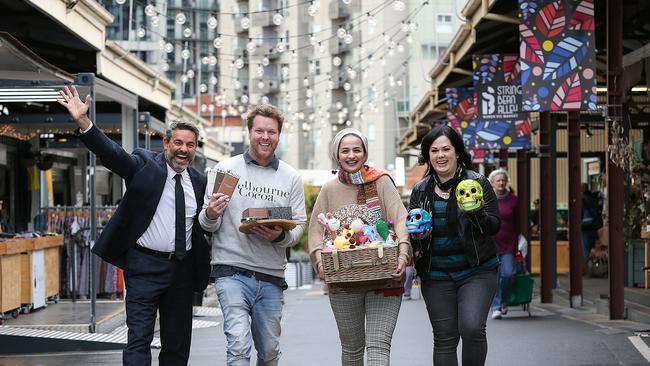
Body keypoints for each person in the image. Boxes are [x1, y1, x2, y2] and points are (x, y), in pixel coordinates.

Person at [57, 85, 211, 365]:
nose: (183, 150)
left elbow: (206, 224)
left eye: (190, 145)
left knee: (177, 347)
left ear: (195, 148)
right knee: (138, 341)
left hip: (181, 270)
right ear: (166, 144)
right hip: (144, 267)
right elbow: (113, 155)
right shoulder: (144, 165)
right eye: (178, 143)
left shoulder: (200, 182)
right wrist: (84, 122)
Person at [199, 104, 306, 366]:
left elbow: (300, 225)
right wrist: (211, 214)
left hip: (271, 275)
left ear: (279, 135)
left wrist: (278, 237)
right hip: (231, 271)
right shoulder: (226, 170)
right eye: (260, 131)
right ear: (250, 133)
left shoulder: (290, 177)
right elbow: (206, 224)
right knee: (237, 345)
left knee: (269, 352)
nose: (265, 137)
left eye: (271, 132)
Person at [307, 128, 410, 366]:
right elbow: (315, 231)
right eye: (345, 150)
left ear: (365, 153)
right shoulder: (329, 189)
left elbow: (401, 219)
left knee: (378, 347)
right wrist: (321, 263)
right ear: (337, 155)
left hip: (385, 277)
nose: (351, 155)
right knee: (352, 351)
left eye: (357, 150)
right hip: (343, 283)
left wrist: (403, 254)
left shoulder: (382, 181)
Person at [408, 125, 500, 366]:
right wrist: (418, 238)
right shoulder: (421, 190)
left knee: (471, 328)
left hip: (477, 270)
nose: (440, 155)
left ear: (457, 152)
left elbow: (493, 226)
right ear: (428, 155)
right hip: (436, 274)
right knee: (445, 338)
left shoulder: (477, 182)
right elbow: (413, 229)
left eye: (446, 149)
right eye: (434, 150)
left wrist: (476, 212)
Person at [487, 168, 518, 320]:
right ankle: (496, 306)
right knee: (494, 277)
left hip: (509, 244)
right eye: (498, 180)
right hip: (490, 244)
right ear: (492, 182)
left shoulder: (513, 199)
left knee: (508, 274)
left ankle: (504, 300)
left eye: (503, 180)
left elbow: (519, 221)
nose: (501, 183)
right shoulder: (486, 198)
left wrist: (522, 240)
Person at [581, 183, 602, 268]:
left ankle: (588, 268)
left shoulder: (582, 199)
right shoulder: (594, 198)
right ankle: (594, 266)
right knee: (593, 248)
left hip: (585, 227)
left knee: (586, 249)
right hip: (594, 226)